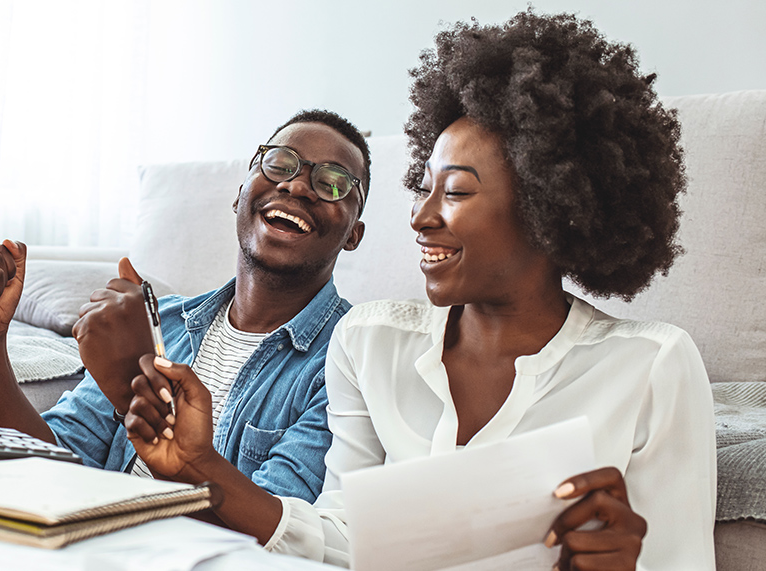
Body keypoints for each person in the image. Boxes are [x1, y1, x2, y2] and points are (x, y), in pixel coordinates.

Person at [124, 10, 716, 569]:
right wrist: (200, 467)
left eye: (455, 192)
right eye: (423, 188)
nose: (420, 217)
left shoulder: (652, 366)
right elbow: (340, 539)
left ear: (548, 208)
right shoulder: (370, 342)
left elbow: (677, 557)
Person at [0, 109, 369, 509]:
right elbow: (41, 466)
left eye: (333, 183)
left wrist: (131, 392)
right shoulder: (161, 322)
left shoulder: (351, 359)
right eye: (279, 164)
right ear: (241, 192)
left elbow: (278, 534)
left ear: (354, 234)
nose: (296, 186)